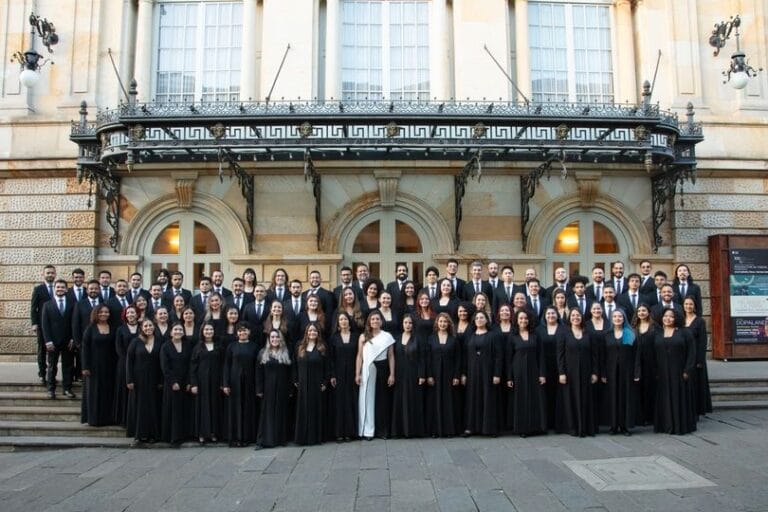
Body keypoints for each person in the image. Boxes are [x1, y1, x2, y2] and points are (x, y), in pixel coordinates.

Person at [654, 309, 697, 435]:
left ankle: (679, 426)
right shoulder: (658, 333)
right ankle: (665, 425)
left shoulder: (685, 332)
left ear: (676, 318)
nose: (668, 318)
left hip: (679, 372)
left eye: (671, 317)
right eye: (665, 316)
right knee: (664, 399)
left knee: (679, 398)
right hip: (662, 373)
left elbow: (691, 353)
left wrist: (687, 370)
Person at [556, 308, 598, 437]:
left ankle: (586, 427)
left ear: (582, 317)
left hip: (586, 372)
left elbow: (594, 355)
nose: (575, 317)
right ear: (569, 318)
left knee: (586, 398)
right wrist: (561, 372)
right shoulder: (564, 333)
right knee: (571, 399)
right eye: (573, 315)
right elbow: (560, 355)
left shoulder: (589, 333)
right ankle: (573, 427)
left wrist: (595, 372)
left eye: (578, 315)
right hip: (569, 373)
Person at [355, 310, 396, 440]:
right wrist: (357, 373)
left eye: (377, 319)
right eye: (372, 319)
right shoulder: (363, 336)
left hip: (383, 368)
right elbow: (359, 356)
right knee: (368, 400)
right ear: (369, 321)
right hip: (368, 369)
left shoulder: (387, 336)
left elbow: (391, 356)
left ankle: (383, 431)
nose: (375, 321)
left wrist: (392, 374)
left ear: (381, 321)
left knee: (382, 400)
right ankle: (368, 431)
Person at [506, 309, 547, 437]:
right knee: (521, 399)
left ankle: (536, 427)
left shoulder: (535, 336)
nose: (523, 320)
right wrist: (509, 377)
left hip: (534, 371)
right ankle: (522, 428)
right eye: (521, 318)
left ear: (529, 320)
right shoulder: (512, 337)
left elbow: (541, 355)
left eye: (525, 318)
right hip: (518, 372)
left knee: (535, 398)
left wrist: (542, 374)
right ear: (517, 321)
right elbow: (508, 358)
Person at [462, 310, 503, 437]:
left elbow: (499, 356)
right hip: (472, 372)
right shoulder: (470, 336)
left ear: (486, 320)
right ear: (474, 321)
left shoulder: (493, 335)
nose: (479, 319)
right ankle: (471, 428)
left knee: (488, 398)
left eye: (482, 317)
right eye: (477, 318)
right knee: (472, 398)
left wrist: (497, 374)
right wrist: (463, 374)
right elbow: (464, 357)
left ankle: (489, 429)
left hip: (488, 372)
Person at [602, 309, 640, 436]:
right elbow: (603, 356)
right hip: (611, 371)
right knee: (612, 398)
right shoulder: (607, 334)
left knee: (625, 397)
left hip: (627, 371)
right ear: (611, 319)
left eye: (620, 316)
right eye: (615, 316)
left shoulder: (629, 333)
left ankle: (625, 426)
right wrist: (603, 373)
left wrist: (636, 372)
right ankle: (613, 425)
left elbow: (636, 355)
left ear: (624, 319)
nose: (617, 319)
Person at [126, 319, 163, 445]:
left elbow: (161, 362)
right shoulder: (135, 342)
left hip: (154, 378)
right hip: (138, 379)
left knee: (153, 405)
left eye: (150, 325)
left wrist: (160, 380)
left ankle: (153, 434)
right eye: (146, 326)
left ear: (154, 327)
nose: (148, 328)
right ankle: (140, 434)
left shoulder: (159, 341)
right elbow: (129, 361)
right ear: (141, 328)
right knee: (140, 406)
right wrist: (129, 379)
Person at [222, 323, 259, 446]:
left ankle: (248, 437)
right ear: (237, 333)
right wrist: (225, 384)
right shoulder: (231, 346)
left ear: (249, 332)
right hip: (234, 383)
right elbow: (226, 365)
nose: (242, 333)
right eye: (240, 331)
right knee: (235, 409)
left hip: (250, 382)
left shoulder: (254, 347)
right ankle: (236, 437)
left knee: (249, 409)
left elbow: (257, 367)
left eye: (245, 330)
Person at [293, 323, 330, 445]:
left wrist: (325, 381)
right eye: (310, 331)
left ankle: (315, 438)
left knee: (316, 409)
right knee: (303, 410)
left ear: (318, 333)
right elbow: (295, 365)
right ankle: (303, 438)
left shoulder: (322, 347)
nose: (312, 333)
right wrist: (295, 380)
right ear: (306, 332)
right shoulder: (300, 346)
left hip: (317, 383)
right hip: (303, 384)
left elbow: (327, 366)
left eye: (314, 331)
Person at [255, 329, 293, 448]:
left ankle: (280, 439)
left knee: (281, 413)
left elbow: (290, 373)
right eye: (272, 337)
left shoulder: (286, 352)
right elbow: (258, 372)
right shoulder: (263, 353)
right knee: (267, 414)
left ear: (281, 339)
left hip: (282, 388)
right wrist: (259, 389)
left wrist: (290, 389)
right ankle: (266, 440)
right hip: (268, 388)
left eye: (277, 337)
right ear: (269, 339)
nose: (275, 339)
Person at [425, 312, 461, 437]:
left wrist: (457, 375)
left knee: (449, 401)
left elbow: (458, 359)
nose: (443, 324)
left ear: (449, 323)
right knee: (435, 401)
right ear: (437, 323)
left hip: (449, 374)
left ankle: (449, 430)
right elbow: (427, 358)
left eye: (445, 322)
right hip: (434, 374)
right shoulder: (431, 338)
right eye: (440, 321)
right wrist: (429, 375)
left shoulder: (454, 339)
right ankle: (435, 430)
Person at [81, 304, 117, 426]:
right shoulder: (90, 328)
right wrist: (85, 366)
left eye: (106, 312)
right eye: (101, 312)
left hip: (110, 365)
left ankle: (107, 418)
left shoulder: (113, 327)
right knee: (94, 392)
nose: (104, 314)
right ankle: (94, 419)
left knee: (108, 391)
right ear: (96, 313)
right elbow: (85, 348)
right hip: (94, 365)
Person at [390, 314, 425, 438]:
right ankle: (399, 431)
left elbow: (422, 358)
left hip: (413, 373)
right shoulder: (396, 338)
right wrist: (392, 374)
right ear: (402, 324)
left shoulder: (418, 339)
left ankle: (412, 430)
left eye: (410, 323)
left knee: (412, 400)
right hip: (399, 373)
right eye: (405, 323)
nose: (408, 325)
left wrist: (422, 375)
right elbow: (392, 357)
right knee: (399, 401)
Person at [41, 279, 76, 399]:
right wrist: (48, 341)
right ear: (54, 289)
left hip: (68, 341)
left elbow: (74, 323)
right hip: (53, 342)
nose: (60, 289)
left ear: (66, 289)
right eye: (58, 287)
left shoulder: (72, 303)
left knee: (68, 366)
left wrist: (73, 338)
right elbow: (45, 324)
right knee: (52, 366)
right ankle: (51, 389)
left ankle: (67, 388)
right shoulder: (47, 305)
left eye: (62, 287)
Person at [190, 322, 223, 445]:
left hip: (215, 381)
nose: (209, 332)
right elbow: (193, 366)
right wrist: (193, 384)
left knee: (214, 406)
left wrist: (223, 382)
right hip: (201, 382)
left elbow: (222, 364)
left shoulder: (218, 346)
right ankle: (202, 434)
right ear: (202, 331)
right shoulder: (197, 347)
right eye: (206, 330)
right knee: (202, 408)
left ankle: (213, 433)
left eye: (211, 329)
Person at [160, 323, 193, 446]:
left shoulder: (187, 345)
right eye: (175, 329)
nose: (178, 331)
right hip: (171, 383)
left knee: (184, 409)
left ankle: (183, 435)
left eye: (180, 329)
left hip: (185, 382)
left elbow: (191, 364)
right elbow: (165, 366)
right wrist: (173, 382)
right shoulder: (165, 346)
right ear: (171, 332)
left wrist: (189, 381)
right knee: (172, 409)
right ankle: (172, 437)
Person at [328, 312, 359, 441]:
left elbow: (360, 355)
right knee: (339, 403)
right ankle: (339, 433)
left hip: (353, 373)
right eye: (341, 319)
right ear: (338, 323)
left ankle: (350, 432)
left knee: (351, 401)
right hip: (339, 374)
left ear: (349, 321)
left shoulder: (356, 337)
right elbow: (331, 358)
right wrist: (332, 375)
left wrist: (359, 373)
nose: (343, 321)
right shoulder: (334, 338)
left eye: (345, 319)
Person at [536, 306, 565, 431]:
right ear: (544, 316)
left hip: (560, 366)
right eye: (548, 314)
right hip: (544, 366)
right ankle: (546, 423)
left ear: (557, 315)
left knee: (560, 394)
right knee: (545, 394)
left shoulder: (564, 329)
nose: (551, 316)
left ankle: (559, 423)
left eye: (553, 313)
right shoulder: (538, 330)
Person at [683, 296, 712, 416]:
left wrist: (700, 360)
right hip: (684, 355)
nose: (688, 306)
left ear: (694, 306)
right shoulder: (680, 319)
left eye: (690, 304)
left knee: (696, 383)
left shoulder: (700, 321)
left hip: (696, 356)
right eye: (686, 304)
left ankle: (697, 408)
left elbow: (702, 341)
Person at [632, 303, 658, 426]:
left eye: (644, 310)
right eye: (639, 311)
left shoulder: (654, 328)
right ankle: (640, 417)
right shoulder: (632, 328)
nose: (641, 313)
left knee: (650, 389)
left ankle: (650, 416)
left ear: (648, 312)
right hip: (637, 364)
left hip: (651, 363)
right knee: (638, 390)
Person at [114, 305, 140, 426]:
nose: (130, 315)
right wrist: (128, 361)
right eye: (128, 313)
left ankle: (136, 419)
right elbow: (118, 348)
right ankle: (124, 419)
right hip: (124, 364)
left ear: (137, 314)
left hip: (140, 365)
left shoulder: (142, 327)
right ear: (125, 315)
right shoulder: (120, 329)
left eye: (133, 312)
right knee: (124, 391)